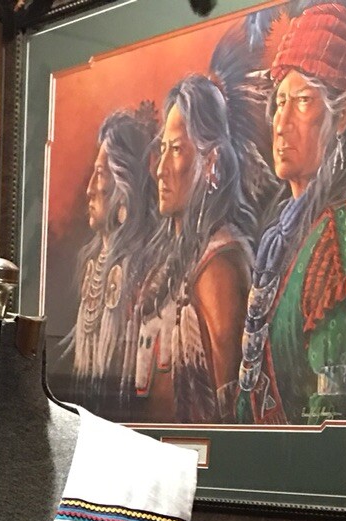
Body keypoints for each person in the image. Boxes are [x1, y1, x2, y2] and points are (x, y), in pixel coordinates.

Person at [238, 1, 346, 425]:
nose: (281, 122)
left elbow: (338, 425)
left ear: (341, 116)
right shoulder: (284, 232)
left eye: (303, 101)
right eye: (280, 101)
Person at [129, 37, 268, 425]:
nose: (160, 169)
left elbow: (231, 415)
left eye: (176, 150)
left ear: (212, 163)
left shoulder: (219, 266)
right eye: (162, 149)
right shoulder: (176, 260)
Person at [67, 106, 159, 410]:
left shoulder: (147, 275)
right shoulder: (93, 265)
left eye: (100, 174)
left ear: (124, 187)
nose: (90, 190)